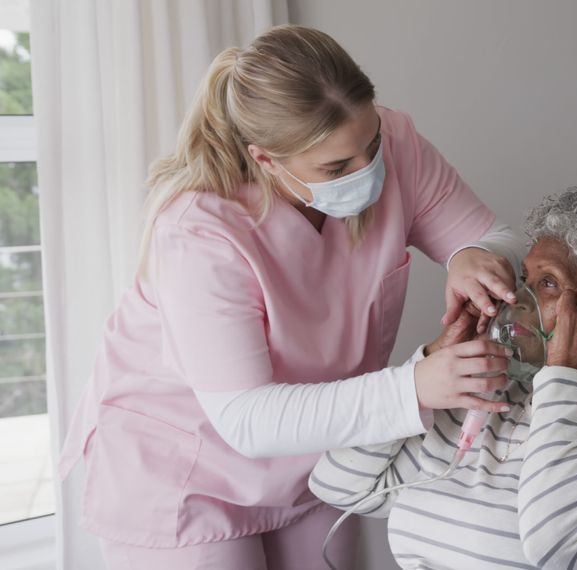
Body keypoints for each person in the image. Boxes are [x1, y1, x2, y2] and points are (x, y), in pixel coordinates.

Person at [57, 25, 526, 569]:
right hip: (186, 469)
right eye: (336, 168)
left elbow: (498, 237)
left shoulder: (390, 141)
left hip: (318, 456)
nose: (370, 170)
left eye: (371, 144)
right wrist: (414, 388)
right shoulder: (199, 230)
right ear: (266, 159)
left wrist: (473, 255)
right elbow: (246, 417)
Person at [312, 187, 577, 569]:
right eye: (524, 281)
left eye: (549, 284)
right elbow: (339, 485)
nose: (517, 300)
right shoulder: (491, 395)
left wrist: (568, 377)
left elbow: (562, 548)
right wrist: (430, 367)